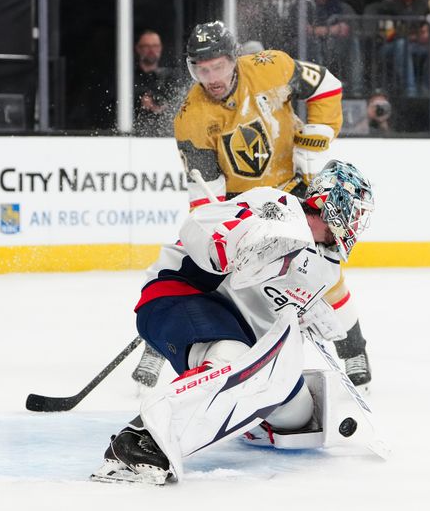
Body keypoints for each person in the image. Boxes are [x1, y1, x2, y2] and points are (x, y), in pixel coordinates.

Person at [131, 21, 373, 403]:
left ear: (234, 59)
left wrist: (320, 132)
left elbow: (327, 85)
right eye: (201, 69)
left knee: (323, 271)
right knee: (199, 270)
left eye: (218, 66)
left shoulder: (270, 67)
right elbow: (206, 197)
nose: (211, 77)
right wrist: (222, 239)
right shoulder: (191, 118)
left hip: (292, 189)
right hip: (242, 205)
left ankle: (353, 348)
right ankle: (162, 343)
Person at [95, 160, 375, 485]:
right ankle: (137, 441)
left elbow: (266, 328)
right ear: (330, 201)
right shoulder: (275, 206)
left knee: (298, 415)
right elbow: (196, 225)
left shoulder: (326, 267)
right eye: (354, 211)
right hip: (181, 292)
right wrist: (229, 242)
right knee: (232, 356)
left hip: (232, 325)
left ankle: (246, 416)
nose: (356, 222)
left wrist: (300, 316)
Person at [301, 0, 364, 93]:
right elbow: (305, 30)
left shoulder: (334, 1)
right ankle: (319, 87)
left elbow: (342, 28)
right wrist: (331, 29)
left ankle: (356, 89)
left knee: (353, 41)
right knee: (314, 44)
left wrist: (327, 30)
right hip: (310, 47)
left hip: (330, 44)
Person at [371, 0, 430, 96]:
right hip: (388, 46)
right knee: (402, 45)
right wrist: (414, 35)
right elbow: (388, 33)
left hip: (416, 45)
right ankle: (410, 91)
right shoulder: (389, 2)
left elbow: (428, 25)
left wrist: (427, 33)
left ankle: (427, 90)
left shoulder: (422, 3)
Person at [133, 30, 178, 137]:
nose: (151, 50)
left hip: (165, 136)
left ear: (161, 48)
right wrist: (140, 99)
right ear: (138, 49)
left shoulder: (170, 78)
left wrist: (164, 107)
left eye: (155, 46)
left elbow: (178, 103)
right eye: (146, 46)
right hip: (133, 134)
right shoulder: (127, 79)